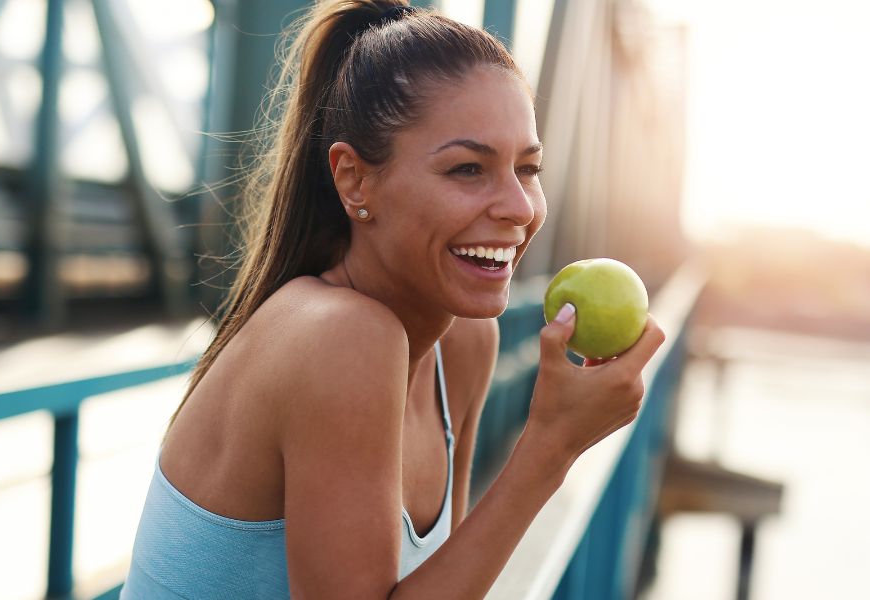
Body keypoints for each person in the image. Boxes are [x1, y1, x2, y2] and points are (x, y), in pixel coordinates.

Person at [120, 1, 665, 598]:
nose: (519, 207)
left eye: (528, 168)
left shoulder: (462, 342)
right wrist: (551, 446)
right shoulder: (340, 337)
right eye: (466, 169)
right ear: (353, 179)